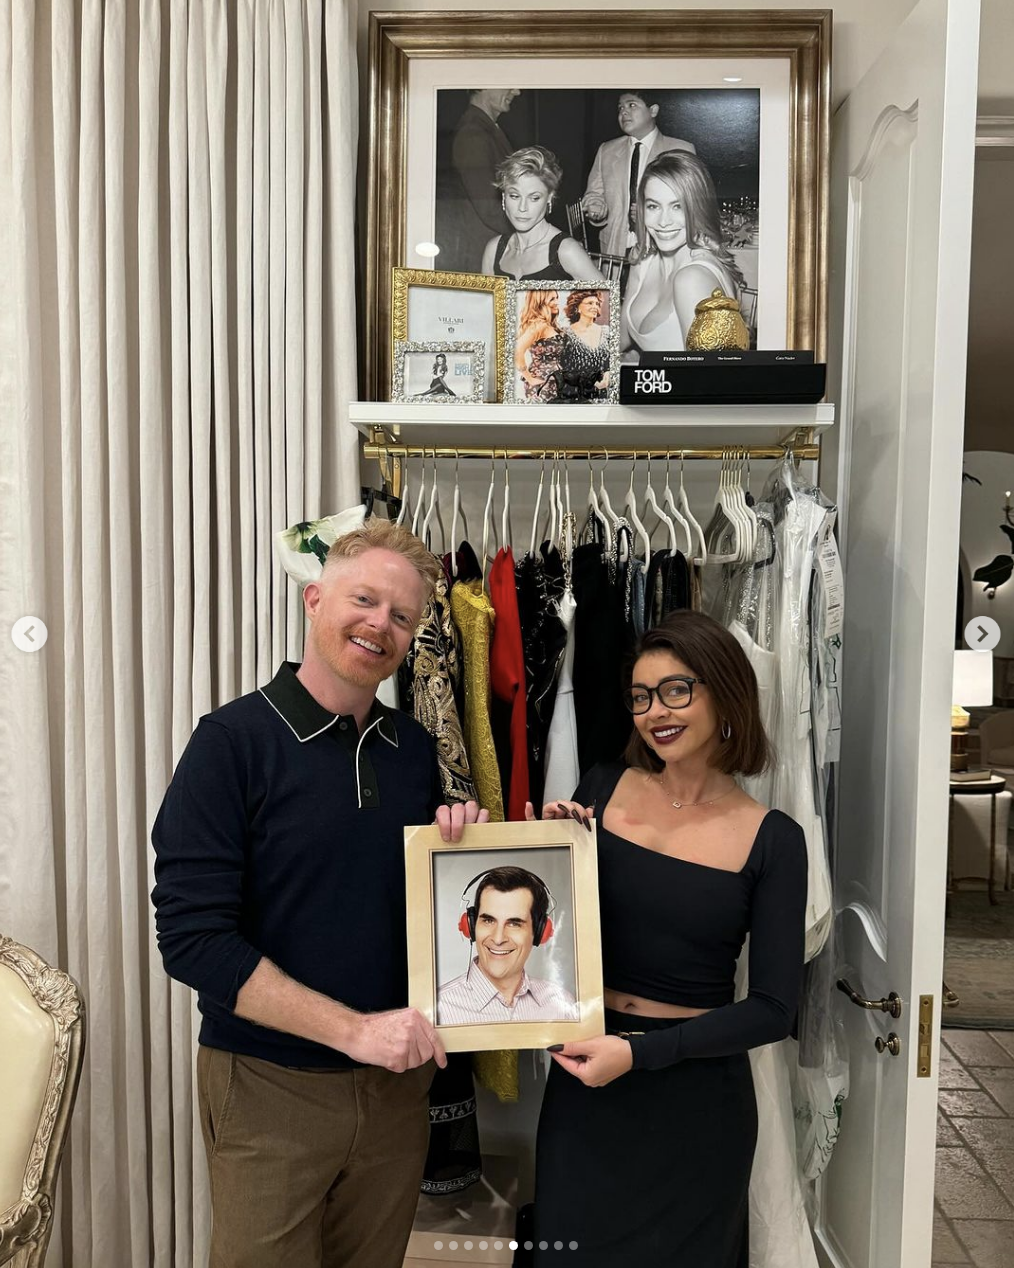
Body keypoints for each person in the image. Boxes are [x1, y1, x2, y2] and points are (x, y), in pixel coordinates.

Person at [151, 518, 489, 1268]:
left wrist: (465, 844)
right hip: (270, 1087)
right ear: (313, 599)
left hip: (396, 1094)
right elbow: (192, 939)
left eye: (402, 616)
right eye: (363, 599)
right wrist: (353, 1032)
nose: (381, 626)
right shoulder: (231, 743)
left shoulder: (416, 754)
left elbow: (429, 915)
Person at [525, 611, 807, 1266]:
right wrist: (551, 858)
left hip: (696, 1101)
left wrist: (641, 1054)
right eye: (642, 696)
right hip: (587, 1086)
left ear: (724, 693)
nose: (656, 711)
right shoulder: (599, 788)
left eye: (678, 689)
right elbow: (548, 943)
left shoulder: (773, 839)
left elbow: (773, 1009)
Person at [621, 150, 746, 358]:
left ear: (697, 208)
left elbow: (706, 380)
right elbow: (622, 336)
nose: (663, 222)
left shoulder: (693, 278)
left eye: (677, 207)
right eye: (653, 206)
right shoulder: (644, 260)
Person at [437, 866, 579, 1024]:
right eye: (488, 920)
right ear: (470, 925)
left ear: (540, 932)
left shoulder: (562, 1004)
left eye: (514, 924)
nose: (498, 939)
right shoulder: (438, 1009)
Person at [582, 90, 696, 260]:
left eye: (632, 105)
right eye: (620, 108)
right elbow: (594, 193)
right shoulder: (606, 150)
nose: (623, 112)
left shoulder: (681, 150)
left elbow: (692, 203)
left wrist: (650, 213)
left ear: (653, 111)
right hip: (615, 252)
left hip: (663, 251)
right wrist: (596, 208)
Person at [481, 146, 604, 283]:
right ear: (504, 197)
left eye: (534, 198)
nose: (522, 208)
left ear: (549, 198)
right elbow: (486, 304)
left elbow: (607, 302)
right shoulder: (494, 250)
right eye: (515, 196)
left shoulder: (566, 251)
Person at [441, 88, 520, 272]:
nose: (517, 91)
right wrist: (535, 236)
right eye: (509, 84)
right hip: (485, 258)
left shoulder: (487, 128)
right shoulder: (473, 133)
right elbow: (489, 208)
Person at [558, 289, 610, 402]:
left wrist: (608, 374)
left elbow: (611, 362)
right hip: (575, 395)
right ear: (577, 308)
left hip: (602, 395)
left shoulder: (607, 332)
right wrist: (589, 382)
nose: (595, 306)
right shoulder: (565, 333)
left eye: (597, 304)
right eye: (590, 303)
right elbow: (561, 367)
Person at [514, 289, 564, 402]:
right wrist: (529, 378)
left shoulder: (549, 324)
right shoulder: (539, 325)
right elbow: (517, 351)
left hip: (555, 381)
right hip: (543, 383)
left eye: (557, 298)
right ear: (540, 302)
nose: (557, 302)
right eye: (552, 299)